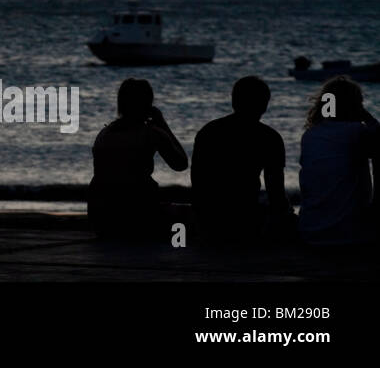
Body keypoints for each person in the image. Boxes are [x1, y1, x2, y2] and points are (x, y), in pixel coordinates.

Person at [190, 76, 293, 243]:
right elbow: (276, 191)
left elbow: (197, 180)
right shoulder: (270, 138)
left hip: (208, 218)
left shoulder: (209, 131)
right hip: (246, 217)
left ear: (233, 101)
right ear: (265, 105)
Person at [88, 78, 188, 240]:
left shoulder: (104, 134)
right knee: (187, 217)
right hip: (138, 217)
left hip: (101, 219)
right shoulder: (151, 133)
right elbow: (181, 163)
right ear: (148, 104)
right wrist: (163, 124)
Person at [297, 76, 379, 246]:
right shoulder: (356, 132)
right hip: (350, 234)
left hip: (310, 230)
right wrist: (368, 118)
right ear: (356, 105)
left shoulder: (310, 135)